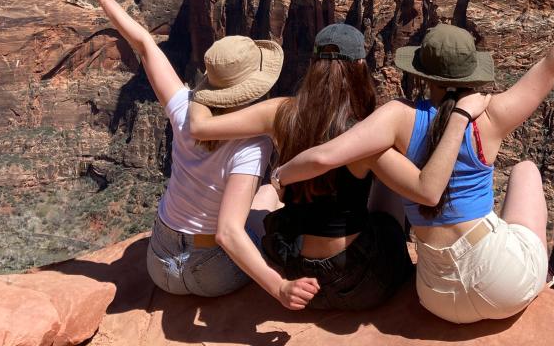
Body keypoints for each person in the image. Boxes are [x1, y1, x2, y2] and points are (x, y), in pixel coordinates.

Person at [273, 0, 554, 323]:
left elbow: (325, 157)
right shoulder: (492, 116)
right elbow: (553, 64)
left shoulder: (396, 118)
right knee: (527, 170)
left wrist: (282, 175)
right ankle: (536, 276)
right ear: (470, 71)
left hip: (436, 296)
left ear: (420, 73)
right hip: (502, 284)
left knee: (379, 171)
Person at [186, 22, 487, 310]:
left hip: (296, 274)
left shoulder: (279, 112)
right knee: (390, 188)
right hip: (358, 282)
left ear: (313, 65)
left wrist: (209, 83)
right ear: (358, 67)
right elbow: (425, 191)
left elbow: (199, 127)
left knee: (267, 191)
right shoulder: (363, 135)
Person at [93, 0, 318, 310]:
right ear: (255, 88)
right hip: (212, 272)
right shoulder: (251, 145)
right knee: (267, 197)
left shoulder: (184, 108)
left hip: (160, 262)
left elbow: (146, 46)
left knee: (259, 197)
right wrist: (279, 288)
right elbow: (228, 233)